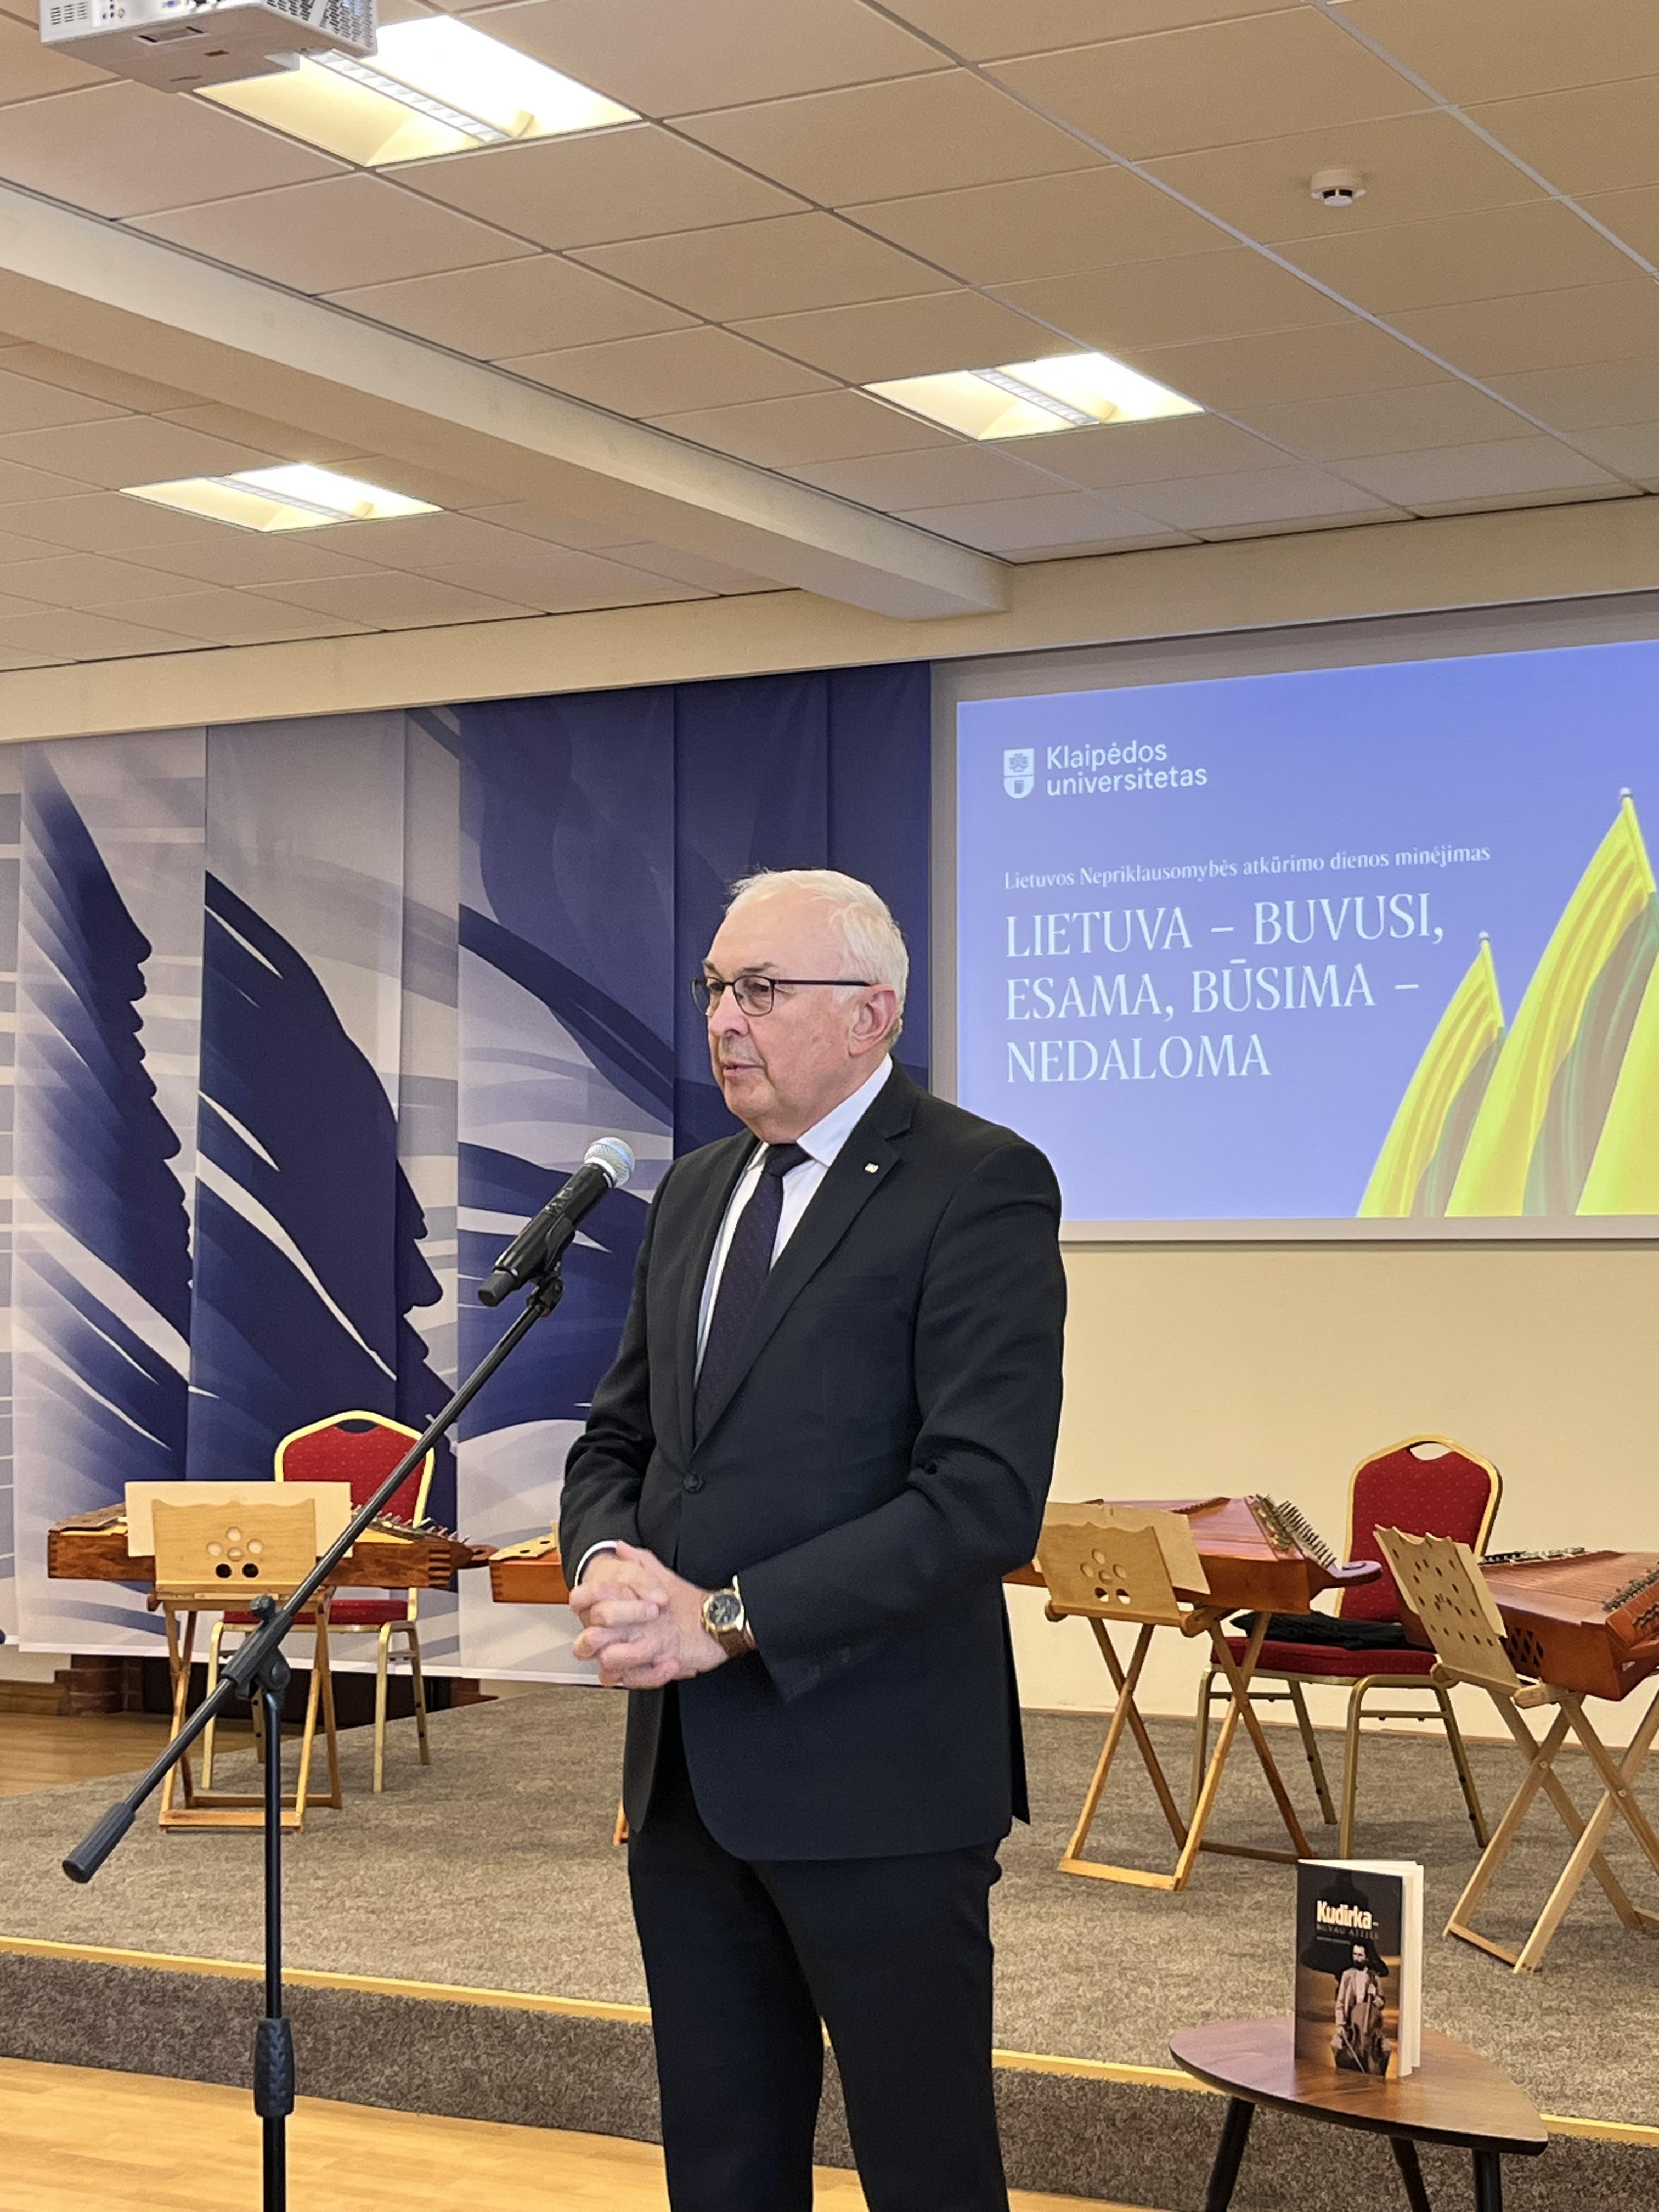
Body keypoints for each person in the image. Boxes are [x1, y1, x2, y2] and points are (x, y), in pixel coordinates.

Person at [561, 867, 1066, 2212]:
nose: (724, 1019)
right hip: (688, 1785)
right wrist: (606, 1564)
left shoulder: (978, 1183)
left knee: (926, 2171)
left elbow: (981, 1500)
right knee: (722, 2165)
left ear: (871, 1013)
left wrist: (723, 1619)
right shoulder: (693, 1192)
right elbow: (619, 1443)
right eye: (715, 989)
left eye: (762, 989)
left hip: (879, 1776)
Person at [1332, 1940, 1389, 2075]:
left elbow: (1381, 2004)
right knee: (1335, 2045)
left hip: (1370, 2027)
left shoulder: (1374, 1977)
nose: (1357, 1958)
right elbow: (1340, 2002)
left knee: (1386, 2050)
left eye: (1360, 1955)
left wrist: (1375, 1996)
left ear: (1367, 1957)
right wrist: (1340, 2024)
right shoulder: (1347, 1975)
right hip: (1351, 2026)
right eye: (1355, 1954)